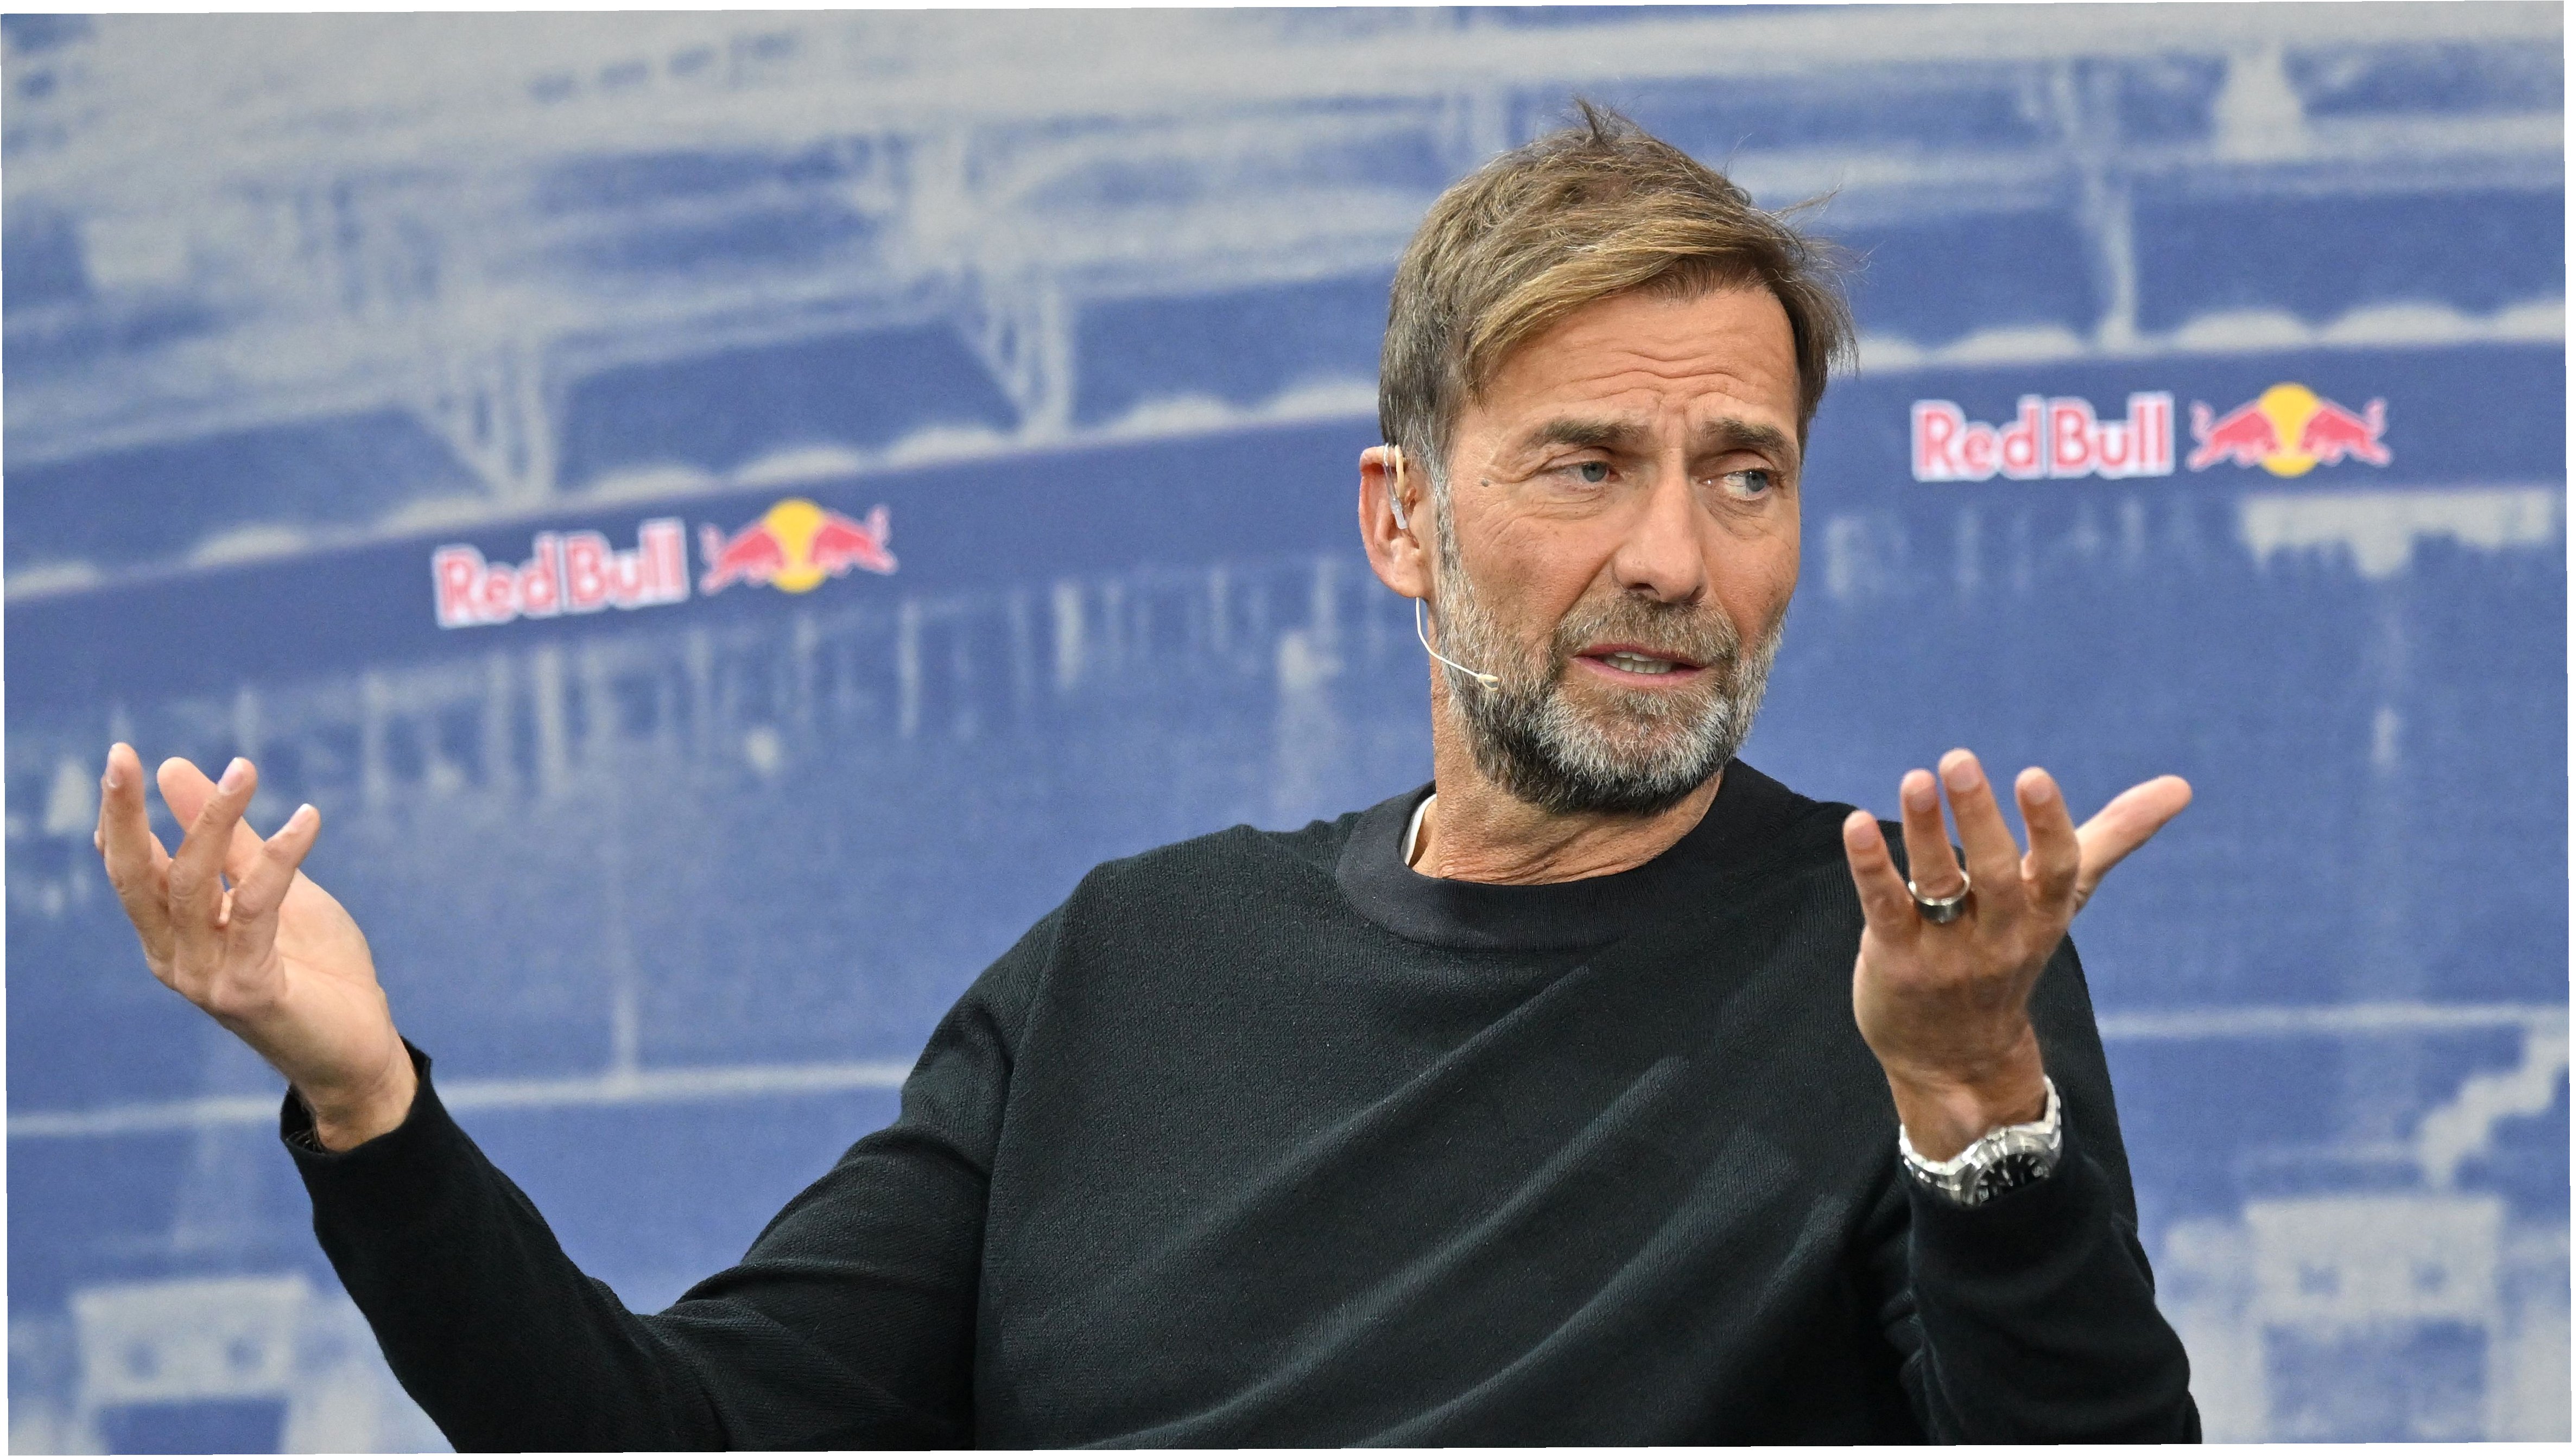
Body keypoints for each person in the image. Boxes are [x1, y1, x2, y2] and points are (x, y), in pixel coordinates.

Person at [96, 107, 2199, 1448]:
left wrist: (1972, 1111)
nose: (1674, 553)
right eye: (1586, 464)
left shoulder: (1908, 985)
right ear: (1400, 520)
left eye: (1743, 473)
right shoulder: (1123, 966)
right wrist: (372, 1111)